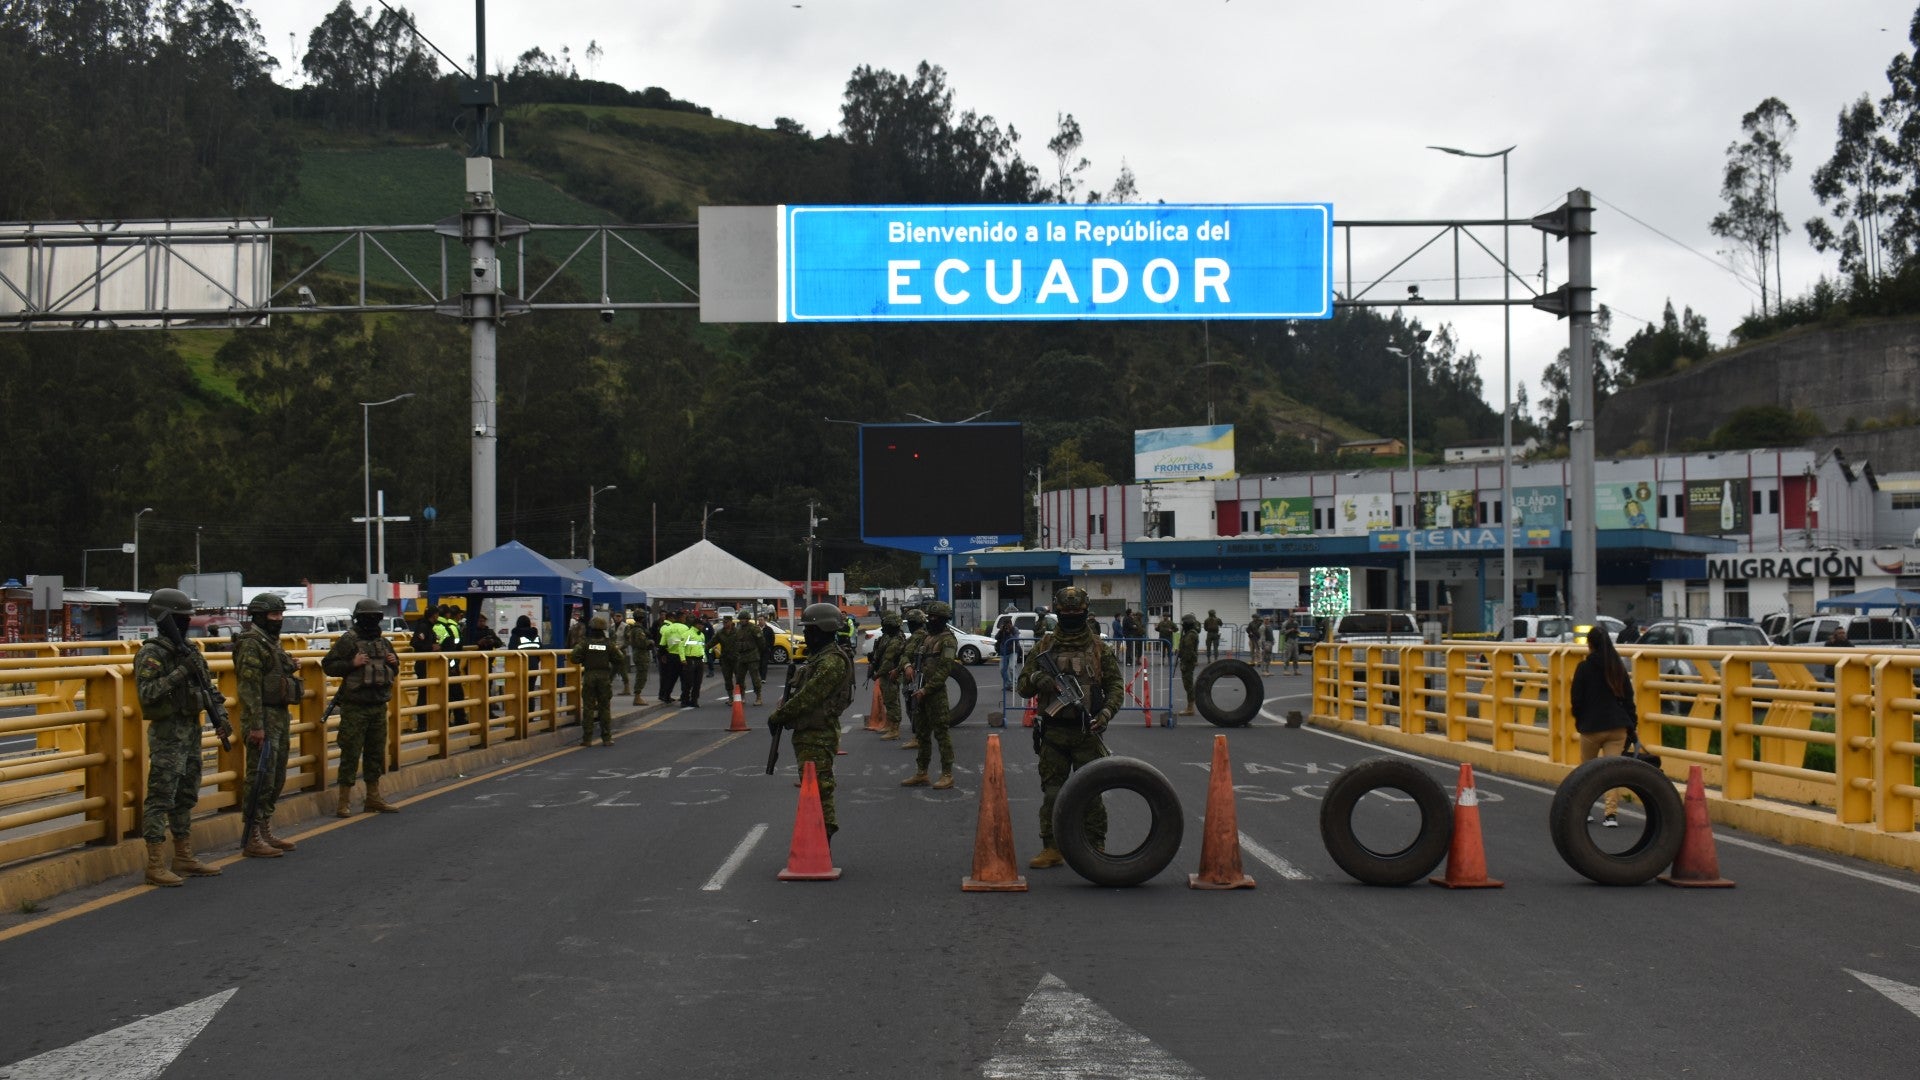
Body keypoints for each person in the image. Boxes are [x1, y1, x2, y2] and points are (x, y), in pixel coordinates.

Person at [1015, 586, 1122, 869]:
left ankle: (1095, 845)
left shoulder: (1099, 648)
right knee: (1052, 793)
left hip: (1088, 732)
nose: (1072, 616)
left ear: (1085, 612)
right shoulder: (1045, 647)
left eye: (1077, 612)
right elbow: (1022, 686)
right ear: (1057, 613)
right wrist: (1039, 678)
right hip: (1053, 731)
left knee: (1091, 793)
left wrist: (1107, 712)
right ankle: (1051, 847)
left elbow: (1115, 687)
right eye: (1066, 612)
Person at [134, 588, 229, 887]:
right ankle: (154, 863)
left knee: (186, 794)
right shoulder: (153, 653)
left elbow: (208, 687)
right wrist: (179, 673)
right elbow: (147, 693)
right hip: (167, 735)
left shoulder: (189, 650)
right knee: (161, 797)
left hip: (190, 731)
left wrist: (221, 718)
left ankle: (184, 855)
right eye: (181, 618)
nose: (187, 622)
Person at [769, 603, 857, 839]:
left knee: (820, 790)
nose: (806, 635)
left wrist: (779, 716)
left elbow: (809, 698)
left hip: (818, 735)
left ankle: (822, 839)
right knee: (814, 789)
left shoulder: (831, 662)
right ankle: (817, 838)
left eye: (810, 630)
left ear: (822, 630)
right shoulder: (819, 658)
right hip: (809, 733)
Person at [233, 592, 302, 857]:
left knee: (276, 775)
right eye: (274, 615)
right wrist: (256, 726)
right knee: (260, 776)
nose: (279, 619)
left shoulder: (271, 642)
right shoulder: (252, 643)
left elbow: (271, 674)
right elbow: (249, 688)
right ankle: (252, 836)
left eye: (281, 614)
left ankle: (264, 828)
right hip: (263, 717)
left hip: (279, 716)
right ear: (261, 616)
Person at [323, 599, 404, 816]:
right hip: (355, 707)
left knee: (376, 754)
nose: (372, 621)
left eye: (375, 617)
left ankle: (373, 797)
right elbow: (328, 665)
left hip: (378, 706)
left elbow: (394, 671)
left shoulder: (384, 642)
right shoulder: (349, 640)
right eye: (368, 617)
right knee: (350, 753)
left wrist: (393, 663)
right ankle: (344, 801)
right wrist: (352, 664)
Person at [1569, 624, 1636, 827]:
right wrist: (1632, 725)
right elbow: (1628, 699)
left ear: (1589, 645)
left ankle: (1586, 811)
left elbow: (1576, 700)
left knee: (1587, 771)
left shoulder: (1584, 668)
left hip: (1591, 727)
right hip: (1617, 727)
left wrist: (1580, 721)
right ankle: (1611, 815)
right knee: (1611, 771)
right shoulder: (1617, 667)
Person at [901, 601, 958, 788]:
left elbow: (944, 670)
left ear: (943, 620)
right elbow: (910, 656)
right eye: (929, 617)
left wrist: (926, 690)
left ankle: (947, 774)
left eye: (934, 618)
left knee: (941, 734)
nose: (931, 620)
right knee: (922, 734)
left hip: (934, 694)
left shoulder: (948, 640)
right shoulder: (926, 638)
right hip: (920, 690)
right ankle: (922, 772)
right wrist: (908, 666)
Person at [571, 614, 628, 745]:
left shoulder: (585, 643)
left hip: (589, 676)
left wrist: (584, 659)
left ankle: (587, 739)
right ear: (603, 629)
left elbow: (574, 657)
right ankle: (606, 738)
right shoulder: (609, 644)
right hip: (604, 677)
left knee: (588, 708)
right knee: (604, 708)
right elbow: (619, 658)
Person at [869, 611, 908, 739]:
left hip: (891, 673)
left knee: (892, 700)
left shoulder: (896, 640)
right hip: (886, 673)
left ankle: (894, 730)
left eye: (886, 626)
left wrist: (877, 674)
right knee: (888, 699)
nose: (884, 628)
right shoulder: (888, 637)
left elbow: (888, 661)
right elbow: (879, 653)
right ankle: (890, 725)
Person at [897, 607, 928, 750]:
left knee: (913, 707)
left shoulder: (917, 636)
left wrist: (905, 666)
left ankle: (918, 737)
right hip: (924, 675)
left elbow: (906, 655)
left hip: (915, 677)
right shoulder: (928, 635)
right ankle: (920, 736)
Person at [624, 608, 653, 706]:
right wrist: (650, 642)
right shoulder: (639, 630)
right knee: (641, 677)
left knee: (640, 675)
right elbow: (642, 643)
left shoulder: (633, 628)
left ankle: (637, 696)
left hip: (638, 654)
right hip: (641, 655)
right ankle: (637, 697)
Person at [678, 612, 707, 707]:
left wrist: (704, 659)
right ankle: (684, 700)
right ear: (696, 625)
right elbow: (681, 647)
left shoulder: (701, 635)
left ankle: (694, 700)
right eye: (701, 625)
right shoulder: (687, 634)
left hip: (699, 660)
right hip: (690, 660)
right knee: (688, 682)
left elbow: (702, 647)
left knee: (698, 682)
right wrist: (683, 659)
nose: (703, 626)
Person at [656, 611, 686, 704]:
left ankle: (666, 695)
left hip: (670, 655)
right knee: (684, 678)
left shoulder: (668, 629)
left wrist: (663, 654)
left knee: (670, 678)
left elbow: (662, 644)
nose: (685, 620)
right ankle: (684, 697)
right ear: (680, 618)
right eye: (684, 618)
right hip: (682, 656)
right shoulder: (685, 628)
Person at [1176, 612, 1201, 716]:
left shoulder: (1191, 635)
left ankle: (1190, 708)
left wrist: (1185, 662)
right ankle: (1190, 706)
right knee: (1188, 684)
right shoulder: (1190, 633)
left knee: (1188, 684)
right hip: (1187, 661)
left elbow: (1189, 650)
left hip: (1188, 662)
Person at [995, 616, 1023, 693]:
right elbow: (996, 638)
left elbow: (1016, 639)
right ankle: (1008, 685)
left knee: (1011, 667)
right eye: (1005, 625)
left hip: (1013, 651)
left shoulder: (1015, 629)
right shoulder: (1002, 630)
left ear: (1011, 624)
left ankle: (1016, 685)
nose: (1006, 627)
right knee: (1002, 670)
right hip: (1004, 652)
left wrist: (1009, 633)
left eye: (1008, 625)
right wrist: (1000, 631)